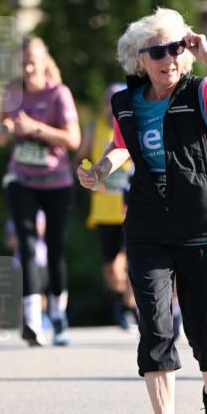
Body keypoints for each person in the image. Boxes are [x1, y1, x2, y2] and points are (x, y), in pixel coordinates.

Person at [78, 7, 207, 414]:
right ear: (139, 59)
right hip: (147, 224)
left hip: (200, 224)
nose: (168, 58)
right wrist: (101, 169)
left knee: (201, 329)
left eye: (175, 48)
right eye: (156, 52)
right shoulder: (126, 102)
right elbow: (122, 144)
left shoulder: (200, 92)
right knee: (155, 326)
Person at [0, 36, 81, 346]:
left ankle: (58, 315)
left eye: (32, 61)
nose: (28, 68)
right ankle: (32, 321)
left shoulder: (59, 94)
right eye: (23, 63)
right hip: (22, 180)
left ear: (45, 62)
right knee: (28, 245)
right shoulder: (12, 93)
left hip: (57, 181)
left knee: (55, 249)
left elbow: (73, 140)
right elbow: (0, 137)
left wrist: (36, 129)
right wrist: (7, 129)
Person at [80, 84, 137, 330]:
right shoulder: (94, 127)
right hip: (103, 211)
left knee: (127, 263)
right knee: (110, 269)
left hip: (128, 208)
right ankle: (121, 301)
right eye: (109, 102)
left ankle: (129, 307)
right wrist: (87, 170)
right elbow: (81, 157)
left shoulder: (134, 125)